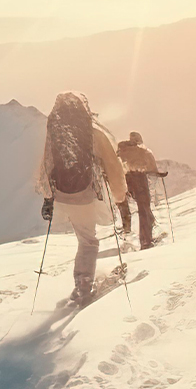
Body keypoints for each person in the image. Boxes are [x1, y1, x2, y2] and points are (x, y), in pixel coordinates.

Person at [36, 92, 128, 302]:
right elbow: (113, 167)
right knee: (88, 241)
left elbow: (46, 165)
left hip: (63, 195)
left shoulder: (56, 134)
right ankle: (84, 284)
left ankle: (82, 279)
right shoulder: (92, 132)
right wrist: (120, 195)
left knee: (83, 237)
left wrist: (47, 197)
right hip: (85, 192)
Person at [115, 131, 166, 250]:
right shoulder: (143, 151)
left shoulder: (121, 150)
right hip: (139, 179)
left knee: (140, 207)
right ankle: (146, 241)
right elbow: (151, 168)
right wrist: (159, 174)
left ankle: (146, 228)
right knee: (144, 207)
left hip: (126, 180)